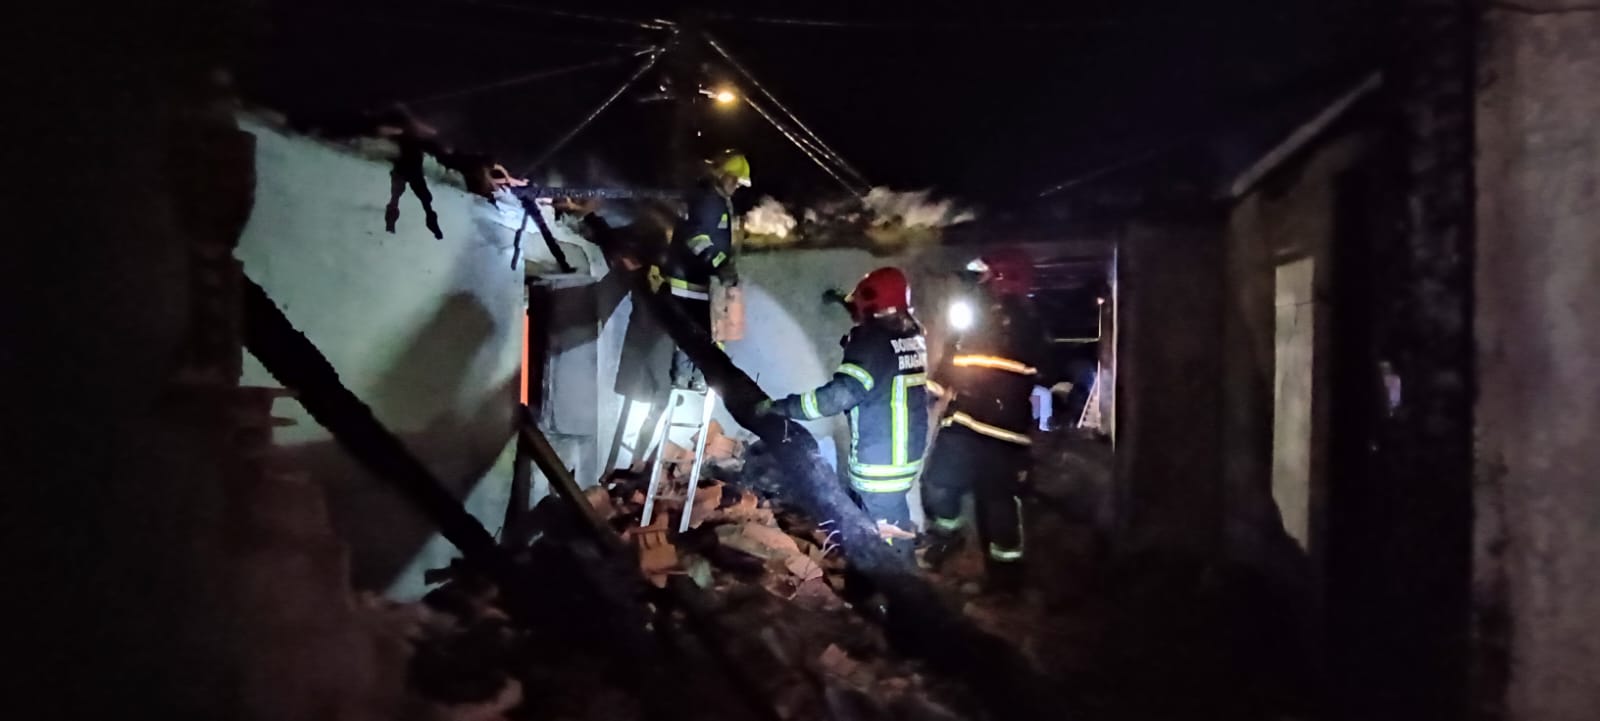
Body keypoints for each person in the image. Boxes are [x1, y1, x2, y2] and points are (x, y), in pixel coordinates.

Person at [759, 268, 931, 561]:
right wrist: (845, 303)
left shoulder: (871, 342)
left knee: (885, 532)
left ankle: (899, 591)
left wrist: (784, 407)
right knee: (885, 520)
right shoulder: (911, 335)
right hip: (904, 454)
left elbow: (838, 396)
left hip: (880, 460)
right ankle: (877, 586)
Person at [921, 248, 1047, 593]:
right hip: (963, 423)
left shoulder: (1025, 324)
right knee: (938, 485)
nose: (981, 283)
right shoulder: (977, 316)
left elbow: (1005, 370)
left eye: (987, 276)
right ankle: (949, 537)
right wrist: (932, 389)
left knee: (998, 507)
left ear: (1004, 280)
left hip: (1003, 435)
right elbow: (953, 359)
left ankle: (1006, 581)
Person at [660, 150, 750, 391]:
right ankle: (694, 379)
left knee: (696, 333)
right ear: (727, 176)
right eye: (736, 182)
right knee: (700, 333)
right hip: (690, 281)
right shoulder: (710, 200)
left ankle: (691, 379)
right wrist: (720, 263)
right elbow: (697, 238)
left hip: (692, 279)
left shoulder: (709, 196)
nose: (737, 188)